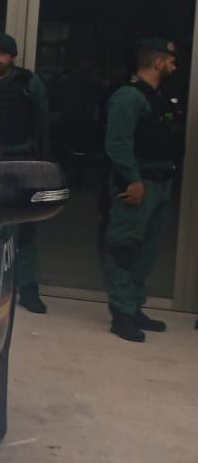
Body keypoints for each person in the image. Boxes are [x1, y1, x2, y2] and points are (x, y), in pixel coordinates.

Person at [101, 37, 181, 342]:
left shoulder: (157, 97)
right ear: (157, 62)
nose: (175, 66)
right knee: (125, 248)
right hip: (138, 184)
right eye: (171, 61)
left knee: (146, 251)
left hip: (159, 183)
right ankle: (121, 315)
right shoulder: (128, 97)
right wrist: (132, 180)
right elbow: (117, 144)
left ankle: (134, 307)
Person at [0, 32, 51, 314]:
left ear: (12, 57)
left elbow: (42, 124)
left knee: (25, 230)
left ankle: (28, 289)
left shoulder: (29, 83)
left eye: (1, 53)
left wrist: (42, 163)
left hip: (22, 161)